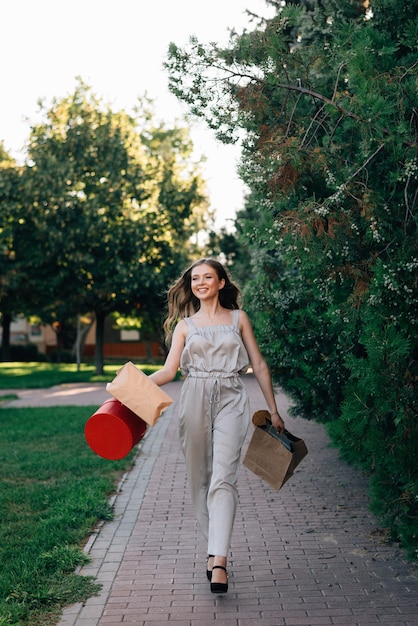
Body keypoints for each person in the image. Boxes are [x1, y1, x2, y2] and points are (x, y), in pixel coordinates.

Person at [149, 258, 285, 594]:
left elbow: (259, 365)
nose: (200, 282)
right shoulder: (184, 326)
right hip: (194, 396)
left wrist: (274, 411)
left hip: (232, 397)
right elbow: (168, 372)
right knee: (199, 480)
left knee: (223, 479)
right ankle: (212, 548)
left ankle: (219, 560)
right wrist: (130, 387)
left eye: (208, 277)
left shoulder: (239, 319)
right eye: (195, 278)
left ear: (221, 283)